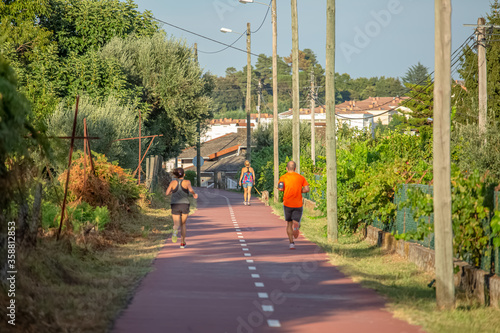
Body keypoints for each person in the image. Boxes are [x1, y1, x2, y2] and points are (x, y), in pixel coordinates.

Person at [278, 161, 309, 250]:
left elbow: (280, 188)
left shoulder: (283, 177)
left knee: (288, 223)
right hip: (298, 204)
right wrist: (299, 190)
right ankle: (297, 225)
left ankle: (291, 243)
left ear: (287, 168)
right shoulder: (300, 177)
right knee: (296, 221)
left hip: (287, 203)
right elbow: (307, 189)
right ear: (295, 168)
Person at [165, 167, 198, 248]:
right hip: (184, 204)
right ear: (184, 174)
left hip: (175, 204)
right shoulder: (187, 182)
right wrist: (194, 194)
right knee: (183, 224)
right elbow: (190, 190)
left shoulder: (172, 182)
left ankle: (175, 230)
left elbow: (167, 193)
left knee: (176, 223)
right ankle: (182, 243)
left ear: (175, 175)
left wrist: (173, 191)